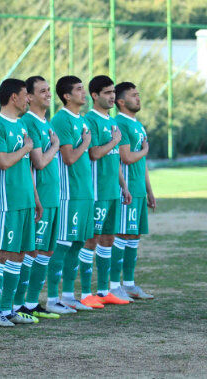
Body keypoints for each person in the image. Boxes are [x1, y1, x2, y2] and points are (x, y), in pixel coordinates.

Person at [0, 78, 42, 327]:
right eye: (25, 95)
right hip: (7, 201)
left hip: (26, 200)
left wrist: (36, 199)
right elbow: (3, 162)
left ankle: (8, 310)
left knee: (18, 254)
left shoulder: (20, 125)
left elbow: (27, 167)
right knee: (1, 253)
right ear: (13, 97)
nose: (29, 99)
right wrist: (27, 147)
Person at [17, 76, 73, 318]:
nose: (48, 94)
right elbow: (38, 163)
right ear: (28, 97)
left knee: (47, 252)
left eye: (49, 90)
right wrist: (56, 147)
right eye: (43, 91)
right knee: (32, 252)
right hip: (40, 198)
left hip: (54, 197)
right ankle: (20, 303)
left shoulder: (46, 123)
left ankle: (32, 303)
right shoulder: (29, 122)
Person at [81, 75, 132, 305]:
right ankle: (84, 294)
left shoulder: (111, 121)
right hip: (97, 190)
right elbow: (94, 153)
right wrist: (114, 142)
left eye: (113, 92)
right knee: (91, 240)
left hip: (112, 190)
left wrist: (124, 186)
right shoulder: (89, 120)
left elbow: (114, 160)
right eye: (107, 92)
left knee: (108, 239)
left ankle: (103, 291)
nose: (112, 96)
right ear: (95, 95)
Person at [49, 75, 96, 311]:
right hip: (69, 192)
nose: (83, 93)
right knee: (63, 243)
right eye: (79, 90)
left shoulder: (82, 120)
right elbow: (68, 158)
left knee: (78, 243)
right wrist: (86, 142)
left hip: (85, 192)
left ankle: (68, 295)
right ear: (67, 96)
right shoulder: (62, 119)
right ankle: (51, 299)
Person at [113, 82, 155, 300]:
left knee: (134, 235)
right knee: (122, 234)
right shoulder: (120, 123)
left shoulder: (137, 124)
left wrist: (149, 190)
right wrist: (145, 149)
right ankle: (114, 286)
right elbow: (126, 157)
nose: (138, 98)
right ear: (121, 101)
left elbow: (142, 161)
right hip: (126, 189)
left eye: (138, 95)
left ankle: (129, 284)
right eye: (133, 95)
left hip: (139, 189)